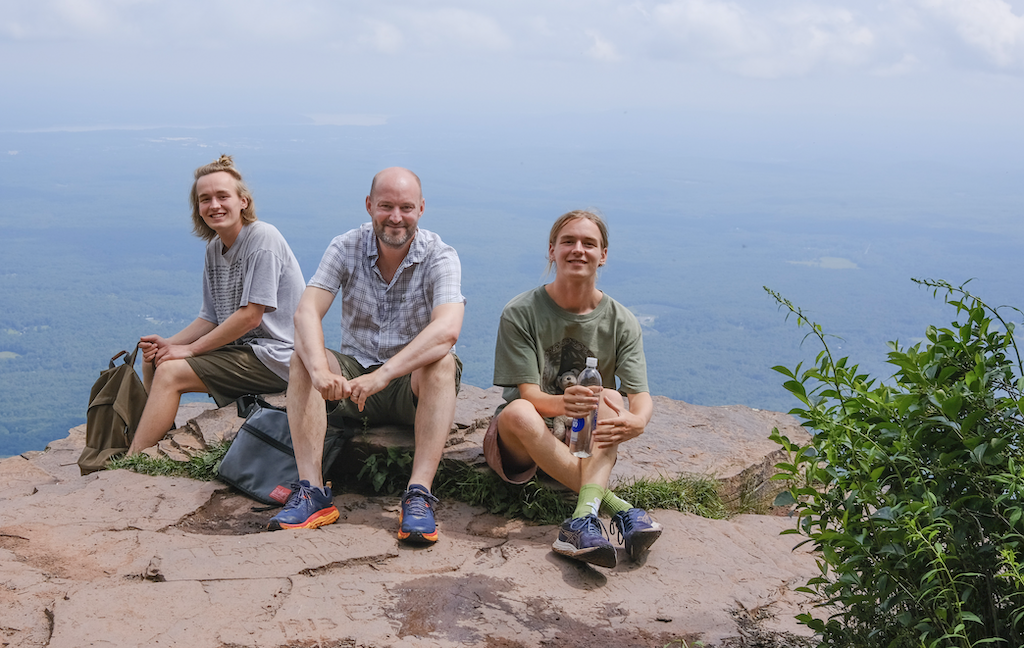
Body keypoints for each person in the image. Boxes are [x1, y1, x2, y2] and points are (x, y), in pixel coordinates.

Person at [268, 167, 465, 544]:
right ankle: (312, 491)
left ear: (421, 208)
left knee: (441, 361)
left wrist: (384, 374)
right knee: (302, 358)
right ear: (369, 205)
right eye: (386, 206)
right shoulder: (346, 246)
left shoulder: (440, 255)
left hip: (408, 385)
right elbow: (306, 312)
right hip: (353, 380)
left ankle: (419, 493)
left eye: (406, 207)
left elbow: (447, 329)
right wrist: (320, 371)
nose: (396, 217)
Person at [486, 209, 661, 568]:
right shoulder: (521, 312)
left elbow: (639, 395)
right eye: (568, 241)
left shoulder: (621, 321)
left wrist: (638, 421)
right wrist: (564, 404)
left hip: (583, 440)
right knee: (517, 411)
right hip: (526, 438)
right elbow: (529, 395)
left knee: (610, 397)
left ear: (603, 255)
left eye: (588, 243)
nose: (578, 249)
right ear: (552, 250)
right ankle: (618, 509)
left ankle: (580, 522)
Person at [128, 155, 305, 455]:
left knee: (171, 373)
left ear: (243, 201)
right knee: (156, 359)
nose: (214, 205)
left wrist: (191, 350)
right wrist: (169, 344)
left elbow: (251, 317)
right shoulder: (214, 248)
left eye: (223, 196)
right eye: (205, 199)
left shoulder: (263, 238)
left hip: (278, 358)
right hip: (246, 353)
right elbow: (210, 317)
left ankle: (135, 458)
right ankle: (152, 441)